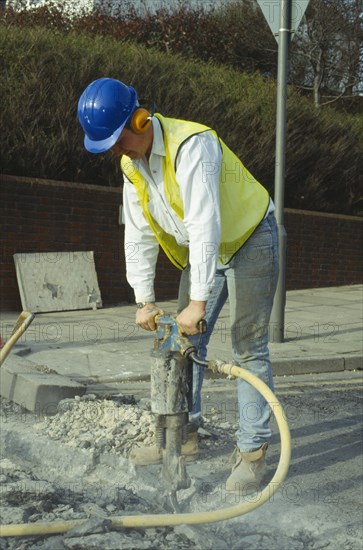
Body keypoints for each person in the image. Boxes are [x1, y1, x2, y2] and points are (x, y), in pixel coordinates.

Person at [78, 77, 279, 494]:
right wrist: (145, 299)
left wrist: (198, 303)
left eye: (118, 139)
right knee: (180, 342)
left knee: (247, 345)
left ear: (141, 119)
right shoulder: (131, 165)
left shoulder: (193, 146)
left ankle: (252, 453)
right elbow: (138, 232)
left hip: (250, 237)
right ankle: (181, 435)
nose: (115, 150)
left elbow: (205, 223)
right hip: (208, 251)